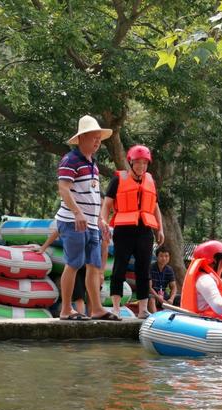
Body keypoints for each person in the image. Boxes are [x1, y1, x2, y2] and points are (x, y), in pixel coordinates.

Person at [55, 115, 118, 321]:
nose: (97, 142)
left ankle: (97, 308)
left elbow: (93, 193)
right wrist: (77, 213)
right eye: (94, 137)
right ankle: (66, 309)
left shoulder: (93, 163)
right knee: (73, 263)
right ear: (81, 138)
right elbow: (63, 189)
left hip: (91, 223)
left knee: (94, 264)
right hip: (74, 221)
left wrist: (100, 219)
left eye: (99, 138)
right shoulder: (71, 159)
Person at [100, 144, 165, 319]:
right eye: (138, 163)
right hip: (123, 230)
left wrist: (160, 229)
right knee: (119, 268)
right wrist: (104, 222)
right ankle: (115, 307)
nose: (141, 166)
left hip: (145, 230)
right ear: (130, 162)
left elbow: (156, 207)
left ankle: (143, 309)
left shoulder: (150, 181)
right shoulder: (118, 180)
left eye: (145, 163)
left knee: (144, 270)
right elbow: (106, 205)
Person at [148, 246, 178, 313]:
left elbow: (174, 287)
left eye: (166, 256)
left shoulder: (169, 270)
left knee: (180, 298)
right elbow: (149, 288)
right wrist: (160, 299)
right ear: (157, 257)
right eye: (161, 256)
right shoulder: (150, 267)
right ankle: (155, 318)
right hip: (153, 295)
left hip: (163, 296)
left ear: (169, 257)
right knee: (151, 298)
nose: (164, 258)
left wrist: (171, 299)